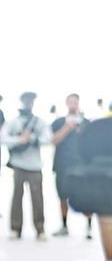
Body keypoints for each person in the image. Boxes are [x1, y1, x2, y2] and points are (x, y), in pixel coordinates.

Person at [0, 91, 52, 240]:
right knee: (17, 196)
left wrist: (32, 139)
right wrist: (19, 140)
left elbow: (48, 138)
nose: (28, 103)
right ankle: (15, 228)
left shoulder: (39, 122)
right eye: (26, 100)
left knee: (37, 198)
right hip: (18, 164)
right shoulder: (13, 122)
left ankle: (40, 229)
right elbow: (2, 138)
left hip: (35, 165)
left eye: (31, 100)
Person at [51, 94, 93, 239]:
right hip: (62, 167)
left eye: (75, 102)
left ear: (78, 103)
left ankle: (89, 228)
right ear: (66, 103)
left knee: (86, 197)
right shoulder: (58, 122)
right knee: (62, 197)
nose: (73, 105)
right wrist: (67, 127)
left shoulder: (86, 123)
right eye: (70, 102)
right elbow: (53, 141)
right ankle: (64, 226)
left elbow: (92, 145)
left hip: (82, 168)